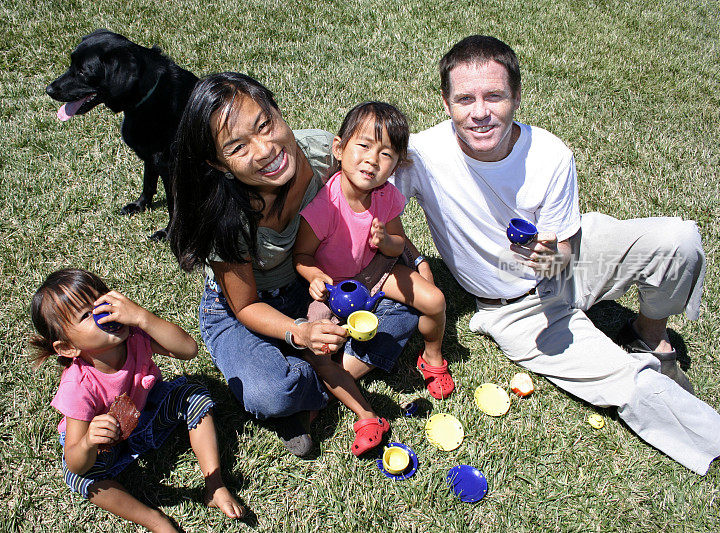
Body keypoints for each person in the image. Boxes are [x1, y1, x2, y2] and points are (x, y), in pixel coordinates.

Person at [394, 35, 720, 474]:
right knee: (630, 384)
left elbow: (565, 252)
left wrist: (550, 258)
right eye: (465, 98)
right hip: (516, 309)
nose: (480, 112)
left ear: (517, 96)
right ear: (445, 101)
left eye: (495, 96)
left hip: (576, 261)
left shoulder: (550, 154)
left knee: (679, 240)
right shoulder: (420, 156)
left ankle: (648, 330)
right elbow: (363, 204)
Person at [169, 73, 420, 457]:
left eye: (265, 125)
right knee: (271, 392)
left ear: (277, 111)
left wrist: (410, 256)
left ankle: (316, 391)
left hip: (314, 286)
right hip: (246, 310)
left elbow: (377, 214)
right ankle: (318, 377)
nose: (265, 149)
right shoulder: (225, 218)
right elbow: (246, 305)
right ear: (218, 164)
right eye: (237, 147)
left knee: (403, 312)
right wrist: (300, 334)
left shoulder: (321, 153)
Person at [29, 269, 244, 532]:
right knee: (79, 479)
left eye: (102, 301)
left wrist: (142, 317)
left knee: (194, 393)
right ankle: (155, 521)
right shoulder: (78, 385)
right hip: (104, 447)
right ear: (68, 348)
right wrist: (88, 441)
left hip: (146, 416)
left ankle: (215, 484)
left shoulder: (135, 337)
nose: (101, 314)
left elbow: (188, 349)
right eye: (86, 315)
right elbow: (75, 460)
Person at [294, 101, 453, 405]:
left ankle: (432, 355)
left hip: (377, 270)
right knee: (320, 343)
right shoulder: (324, 206)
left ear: (396, 165)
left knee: (435, 300)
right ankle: (324, 385)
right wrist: (313, 276)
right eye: (364, 145)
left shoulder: (386, 195)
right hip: (333, 289)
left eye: (386, 154)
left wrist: (385, 243)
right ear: (339, 148)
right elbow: (301, 256)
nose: (372, 160)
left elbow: (399, 241)